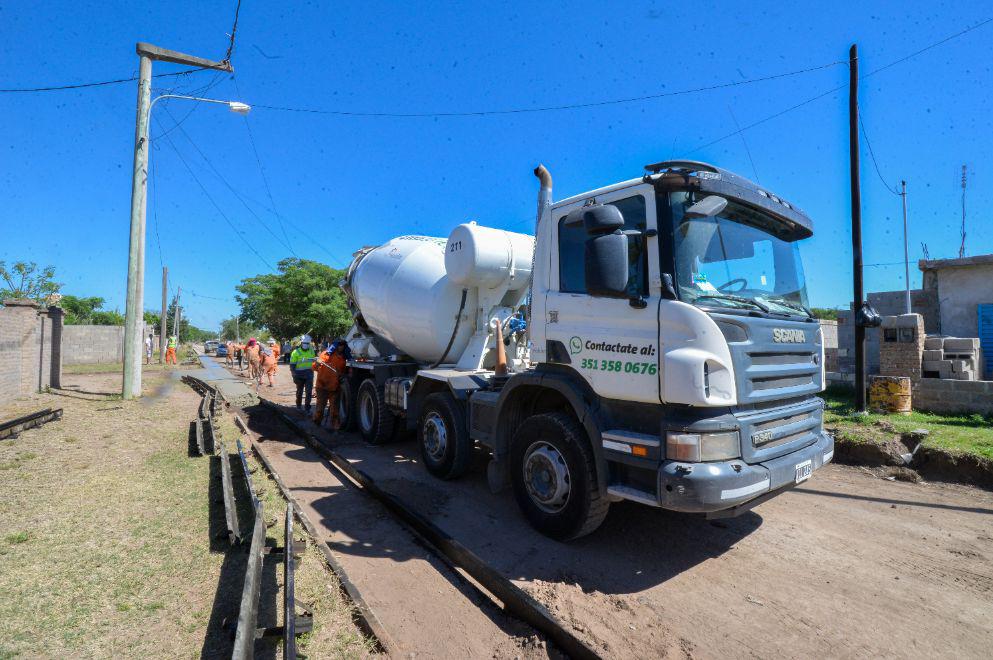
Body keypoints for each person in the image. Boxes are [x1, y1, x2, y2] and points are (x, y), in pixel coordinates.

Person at [312, 340, 349, 428]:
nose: (341, 347)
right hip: (322, 386)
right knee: (320, 409)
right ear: (336, 346)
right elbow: (314, 367)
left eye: (343, 345)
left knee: (335, 410)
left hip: (335, 387)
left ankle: (335, 427)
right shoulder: (326, 354)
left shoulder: (344, 358)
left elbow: (344, 372)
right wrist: (317, 363)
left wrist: (344, 376)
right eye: (339, 345)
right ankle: (316, 423)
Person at [289, 335, 316, 412]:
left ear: (309, 343)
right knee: (299, 392)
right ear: (301, 343)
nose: (306, 344)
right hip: (299, 375)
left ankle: (307, 408)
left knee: (309, 392)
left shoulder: (311, 351)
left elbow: (313, 362)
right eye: (304, 343)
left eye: (307, 343)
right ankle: (298, 405)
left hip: (309, 375)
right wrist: (294, 376)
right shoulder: (295, 352)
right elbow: (292, 365)